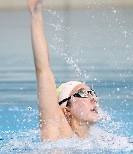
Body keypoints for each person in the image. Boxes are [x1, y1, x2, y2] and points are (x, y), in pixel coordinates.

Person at [27, 0, 100, 142]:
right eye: (83, 94)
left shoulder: (99, 141)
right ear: (66, 110)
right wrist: (36, 14)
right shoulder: (57, 132)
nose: (93, 99)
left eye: (92, 93)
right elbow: (43, 70)